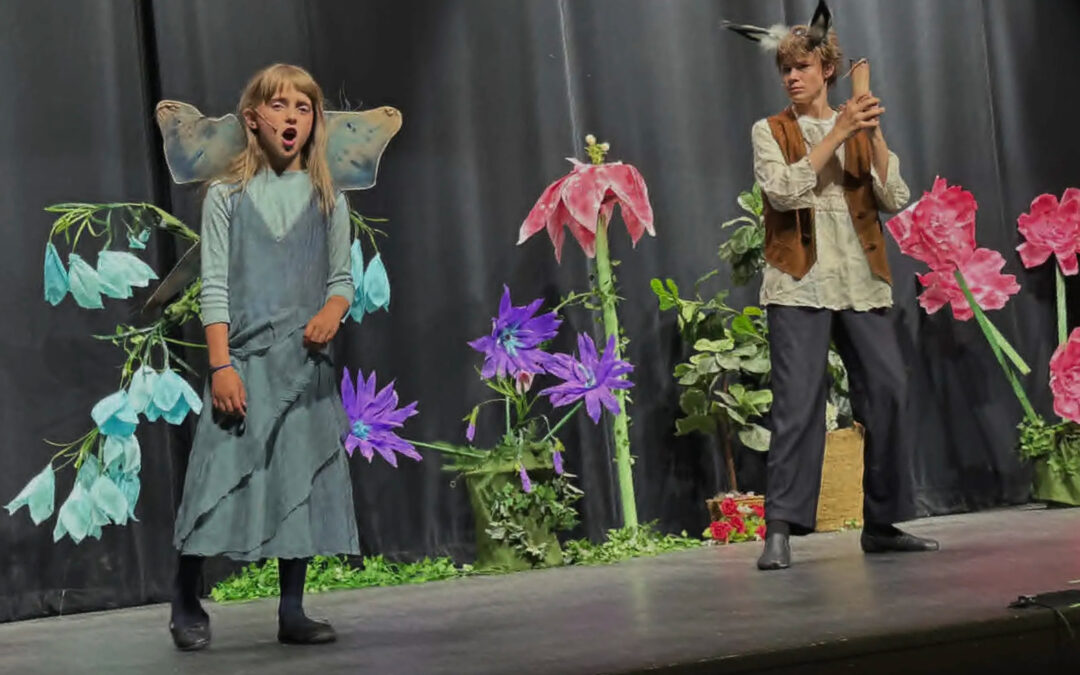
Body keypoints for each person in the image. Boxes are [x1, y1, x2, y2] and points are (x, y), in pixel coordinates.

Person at [167, 63, 359, 649]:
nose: (292, 118)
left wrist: (334, 308)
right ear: (254, 118)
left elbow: (342, 278)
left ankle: (293, 608)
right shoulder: (226, 195)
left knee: (295, 478)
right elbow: (216, 285)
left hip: (303, 366)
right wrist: (221, 365)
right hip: (245, 363)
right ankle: (185, 596)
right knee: (216, 479)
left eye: (304, 108)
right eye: (280, 107)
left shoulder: (329, 197)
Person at [748, 26, 939, 570]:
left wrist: (871, 132)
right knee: (797, 405)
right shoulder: (770, 130)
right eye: (785, 69)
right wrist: (836, 132)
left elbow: (894, 196)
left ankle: (881, 523)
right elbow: (783, 191)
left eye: (802, 68)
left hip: (859, 278)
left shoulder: (855, 122)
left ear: (825, 71)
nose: (791, 77)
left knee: (888, 392)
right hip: (799, 281)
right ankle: (780, 528)